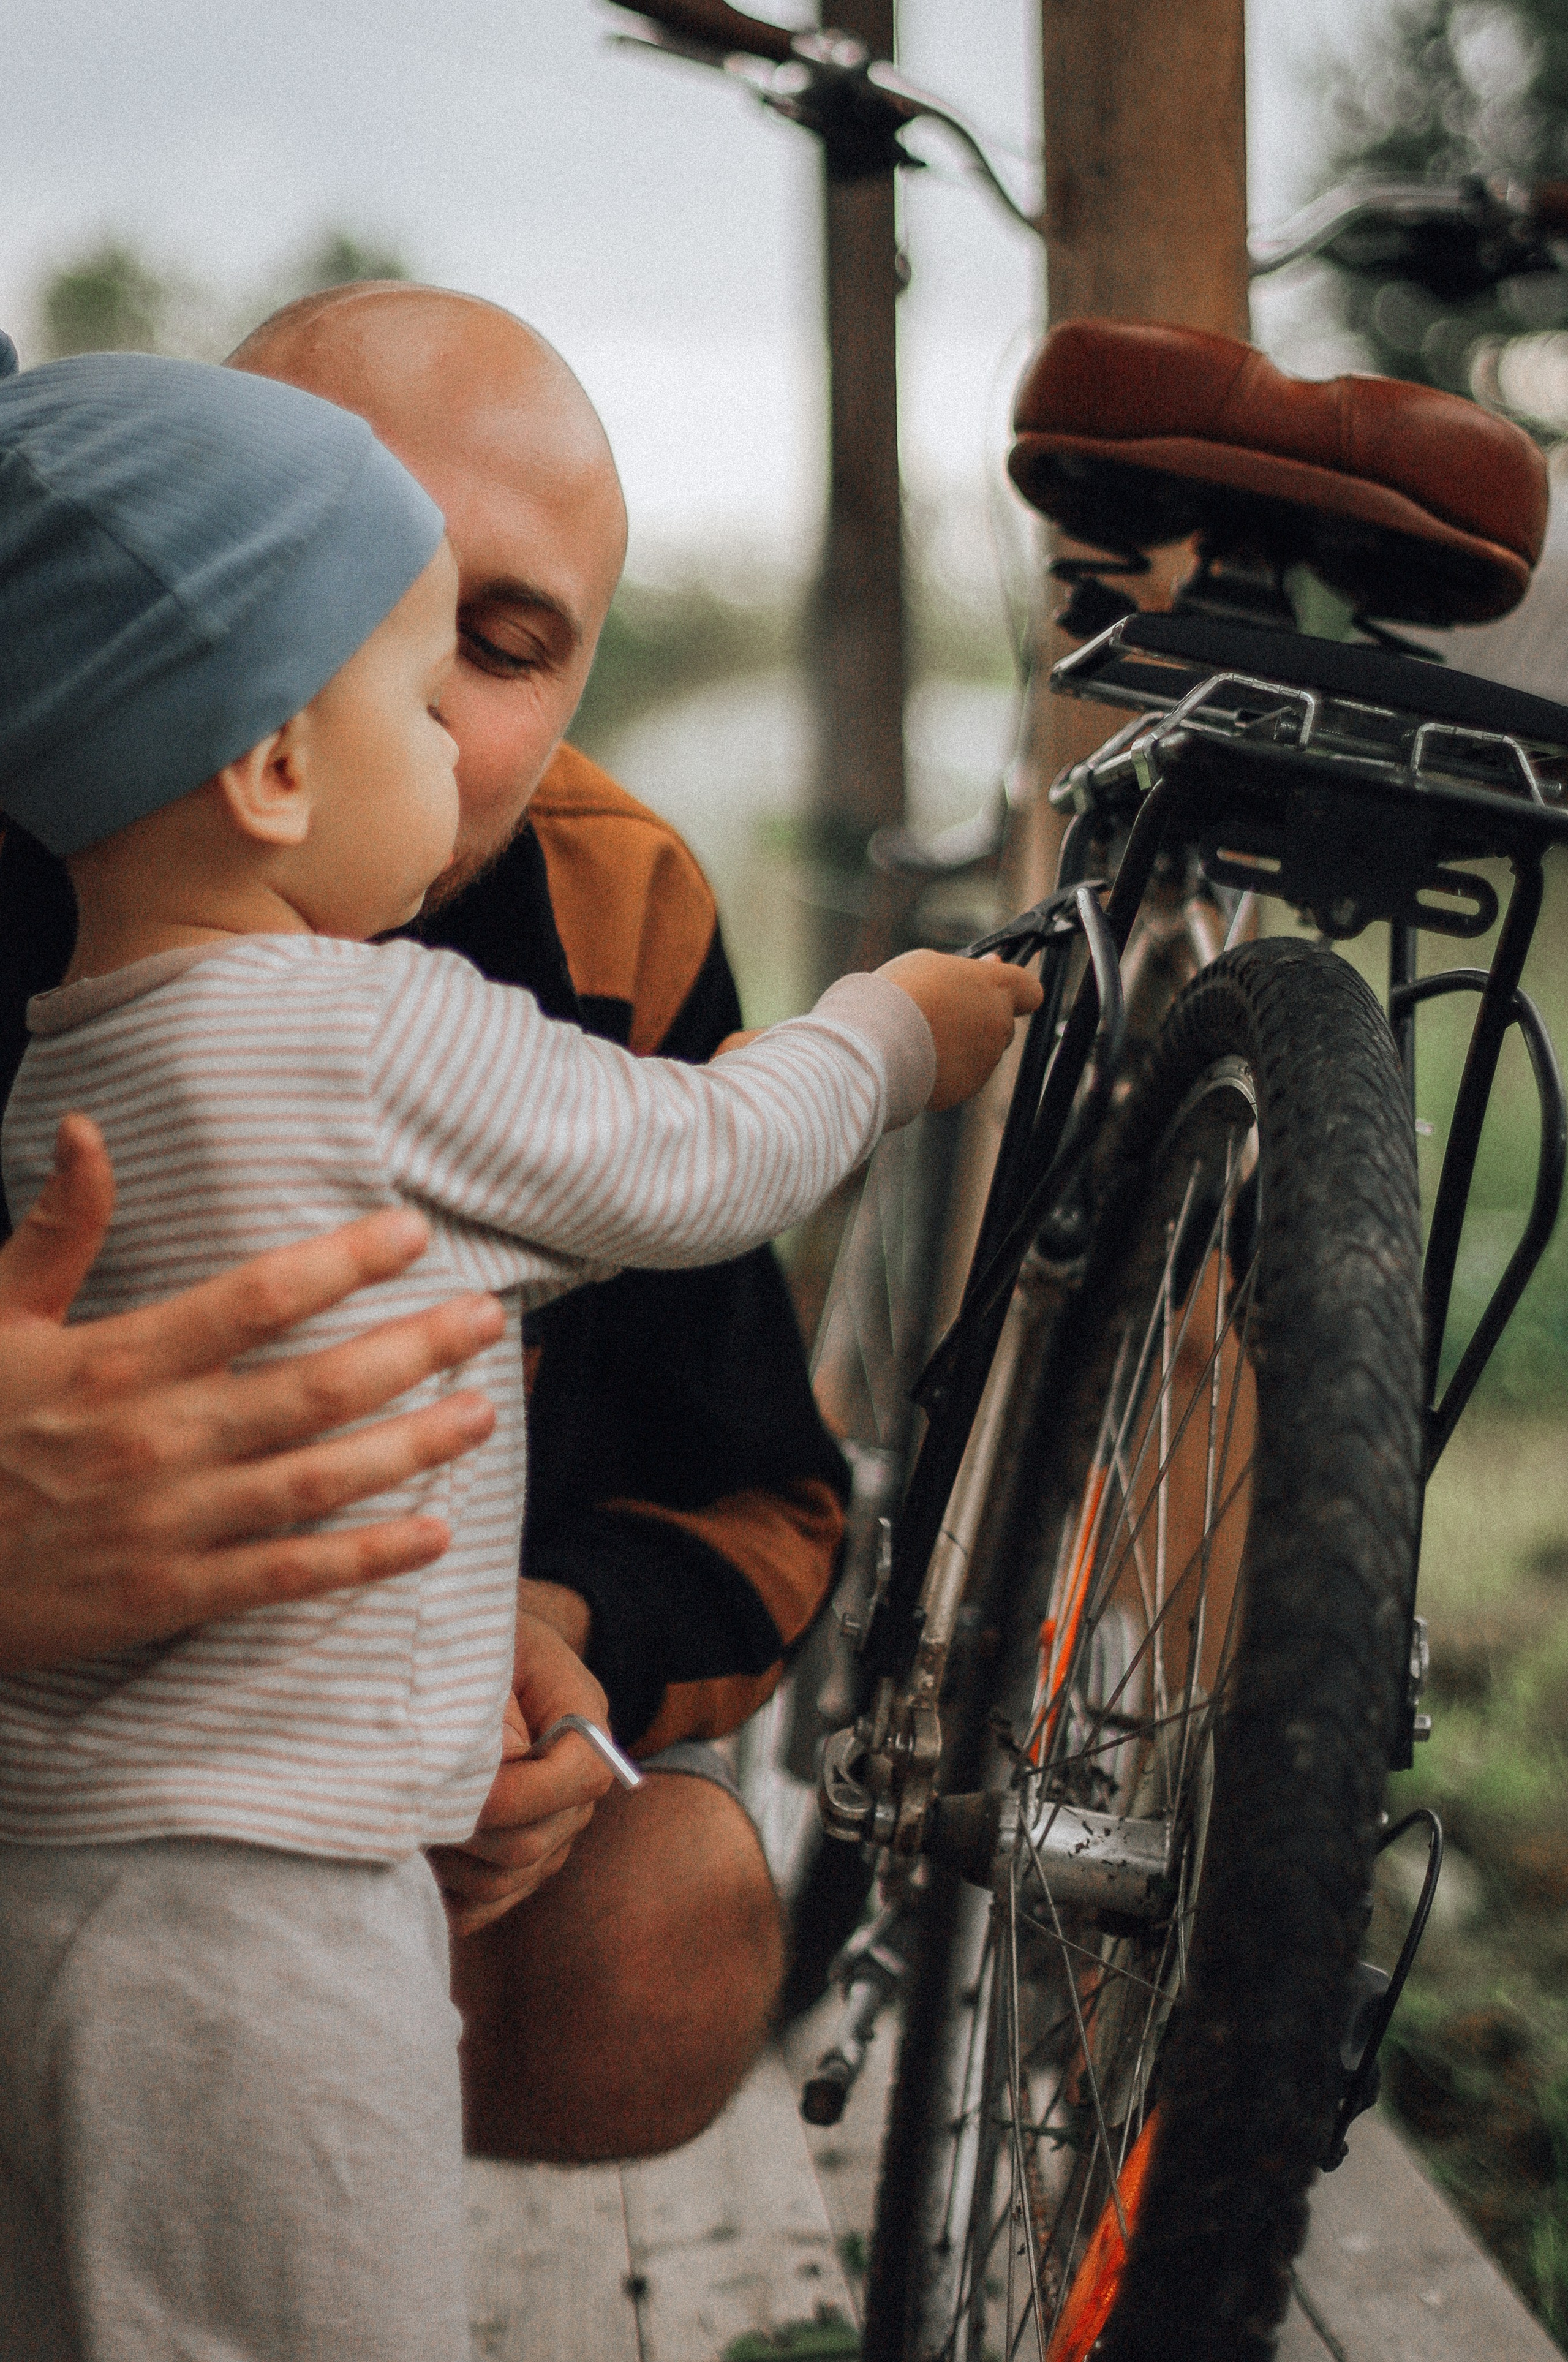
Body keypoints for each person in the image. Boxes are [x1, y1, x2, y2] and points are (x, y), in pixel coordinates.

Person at [0, 345, 1039, 2359]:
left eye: (516, 657)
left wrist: (564, 1607)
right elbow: (705, 1158)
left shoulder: (60, 1069)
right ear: (275, 769)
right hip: (284, 1911)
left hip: (40, 1876)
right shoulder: (379, 1026)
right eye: (410, 681)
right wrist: (899, 1031)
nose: (467, 750)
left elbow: (587, 1361)